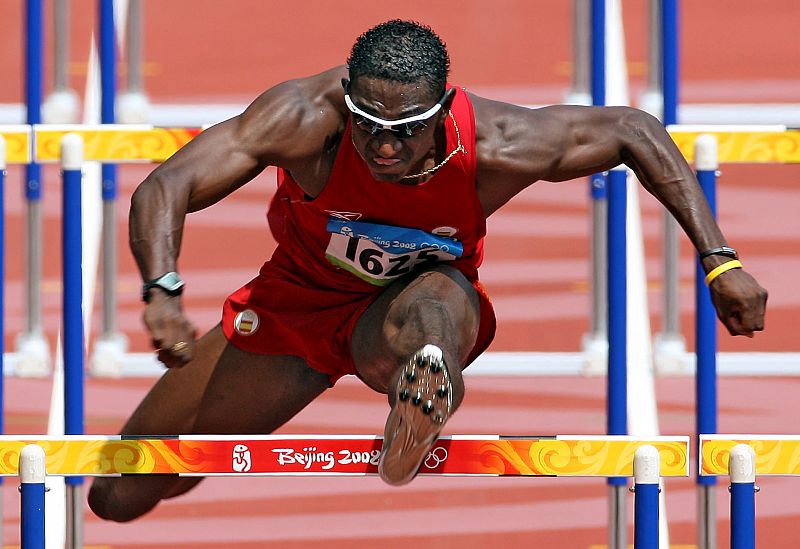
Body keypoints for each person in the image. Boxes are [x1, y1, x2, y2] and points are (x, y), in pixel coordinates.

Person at [88, 19, 767, 521]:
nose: (384, 146)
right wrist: (162, 287)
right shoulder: (303, 118)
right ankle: (409, 378)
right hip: (298, 303)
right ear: (347, 99)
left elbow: (633, 130)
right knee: (121, 492)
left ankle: (423, 395)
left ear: (441, 111)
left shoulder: (496, 142)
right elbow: (167, 184)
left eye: (406, 130)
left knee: (436, 306)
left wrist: (720, 261)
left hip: (410, 308)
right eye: (367, 125)